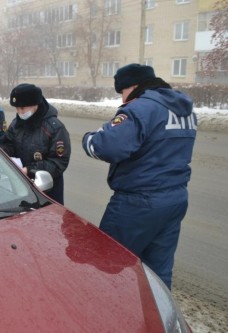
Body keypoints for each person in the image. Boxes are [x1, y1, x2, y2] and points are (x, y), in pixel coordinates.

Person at [81, 63, 197, 289]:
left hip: (137, 203)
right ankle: (157, 321)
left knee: (107, 265)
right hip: (175, 199)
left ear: (133, 87)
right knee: (158, 272)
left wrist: (90, 139)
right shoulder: (184, 109)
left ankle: (109, 318)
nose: (122, 99)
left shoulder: (140, 108)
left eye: (122, 92)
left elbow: (109, 146)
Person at [0, 83, 71, 205]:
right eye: (17, 108)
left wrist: (30, 170)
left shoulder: (55, 127)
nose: (19, 112)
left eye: (23, 108)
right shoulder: (16, 124)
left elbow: (58, 162)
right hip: (21, 183)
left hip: (47, 189)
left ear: (35, 105)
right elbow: (8, 144)